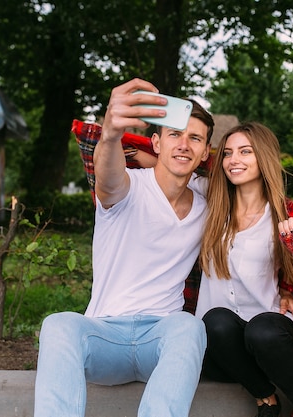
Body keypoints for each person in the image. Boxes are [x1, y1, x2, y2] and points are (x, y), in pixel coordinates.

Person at [34, 78, 215, 417]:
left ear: (205, 152)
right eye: (175, 134)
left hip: (159, 340)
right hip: (104, 336)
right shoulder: (129, 189)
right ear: (156, 143)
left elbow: (251, 184)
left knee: (190, 327)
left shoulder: (208, 204)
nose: (184, 145)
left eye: (195, 138)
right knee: (58, 324)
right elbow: (108, 176)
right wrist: (112, 131)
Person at [194, 121, 293, 417]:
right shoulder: (208, 204)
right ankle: (266, 396)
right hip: (219, 352)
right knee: (214, 321)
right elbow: (175, 161)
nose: (234, 160)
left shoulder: (286, 214)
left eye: (245, 151)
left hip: (271, 346)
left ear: (264, 157)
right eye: (228, 153)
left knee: (261, 330)